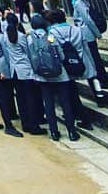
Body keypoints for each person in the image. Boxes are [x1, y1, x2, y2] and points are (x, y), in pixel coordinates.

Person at [27, 13, 79, 141]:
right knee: (65, 102)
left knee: (48, 104)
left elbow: (30, 56)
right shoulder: (49, 35)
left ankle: (54, 132)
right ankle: (72, 131)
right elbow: (59, 54)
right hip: (58, 74)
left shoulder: (30, 38)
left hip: (41, 76)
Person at [46, 8, 95, 132]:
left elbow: (51, 47)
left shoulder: (52, 32)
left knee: (69, 94)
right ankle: (81, 117)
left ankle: (78, 117)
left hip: (63, 66)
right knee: (73, 92)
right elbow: (85, 48)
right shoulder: (77, 30)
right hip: (78, 62)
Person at [1, 14, 45, 135]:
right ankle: (34, 125)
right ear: (17, 24)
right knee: (30, 98)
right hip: (25, 70)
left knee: (20, 98)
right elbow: (29, 53)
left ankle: (25, 124)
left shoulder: (5, 36)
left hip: (14, 71)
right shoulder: (21, 37)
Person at [62, 0, 108, 100]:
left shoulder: (78, 3)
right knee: (94, 57)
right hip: (86, 34)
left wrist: (97, 33)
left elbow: (87, 19)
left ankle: (103, 79)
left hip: (87, 34)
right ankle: (102, 79)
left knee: (94, 58)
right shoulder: (78, 1)